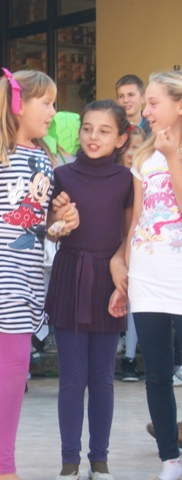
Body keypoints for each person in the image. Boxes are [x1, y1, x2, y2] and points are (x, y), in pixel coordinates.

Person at [0, 69, 78, 480]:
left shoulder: (42, 156)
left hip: (29, 269)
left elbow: (37, 219)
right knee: (16, 364)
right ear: (19, 104)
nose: (53, 112)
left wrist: (60, 221)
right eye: (47, 103)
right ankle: (4, 470)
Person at [46, 99, 133, 480]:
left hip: (108, 282)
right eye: (87, 128)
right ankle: (69, 462)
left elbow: (130, 234)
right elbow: (49, 229)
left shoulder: (128, 180)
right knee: (71, 378)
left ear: (121, 138)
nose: (93, 137)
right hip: (70, 275)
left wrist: (122, 275)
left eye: (104, 130)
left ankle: (100, 460)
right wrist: (59, 218)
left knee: (102, 378)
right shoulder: (61, 176)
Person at [109, 70, 182, 480]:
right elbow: (137, 219)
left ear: (179, 105)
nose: (146, 110)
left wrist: (172, 158)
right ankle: (170, 458)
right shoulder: (143, 158)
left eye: (154, 103)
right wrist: (122, 265)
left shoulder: (168, 155)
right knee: (156, 372)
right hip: (148, 277)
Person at [117, 124, 147, 382]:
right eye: (127, 146)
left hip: (136, 245)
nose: (130, 152)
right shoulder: (113, 176)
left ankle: (129, 358)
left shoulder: (145, 178)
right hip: (112, 245)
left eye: (136, 147)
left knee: (134, 301)